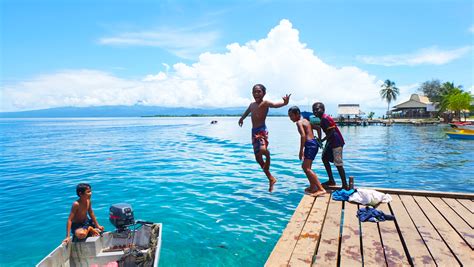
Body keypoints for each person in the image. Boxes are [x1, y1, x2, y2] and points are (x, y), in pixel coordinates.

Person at [239, 84, 291, 192]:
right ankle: (271, 178)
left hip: (262, 131)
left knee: (263, 150)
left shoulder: (265, 103)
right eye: (254, 92)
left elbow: (276, 105)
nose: (256, 94)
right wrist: (241, 118)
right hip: (254, 132)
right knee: (258, 158)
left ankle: (268, 156)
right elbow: (247, 112)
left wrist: (285, 102)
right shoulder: (252, 105)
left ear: (264, 93)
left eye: (259, 91)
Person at [288, 106, 326, 196]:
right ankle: (313, 186)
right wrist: (319, 141)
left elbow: (303, 136)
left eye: (291, 116)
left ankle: (321, 189)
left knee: (306, 168)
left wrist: (301, 150)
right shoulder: (306, 121)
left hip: (309, 145)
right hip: (313, 144)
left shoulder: (299, 122)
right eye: (289, 116)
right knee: (307, 167)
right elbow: (318, 128)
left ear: (297, 114)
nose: (290, 118)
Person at [312, 102, 348, 189]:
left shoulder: (325, 118)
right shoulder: (321, 119)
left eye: (317, 109)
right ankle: (331, 180)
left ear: (323, 110)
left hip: (336, 142)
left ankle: (345, 185)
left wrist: (322, 140)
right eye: (314, 110)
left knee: (338, 163)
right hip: (330, 141)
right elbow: (320, 129)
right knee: (324, 158)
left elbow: (332, 132)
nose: (315, 111)